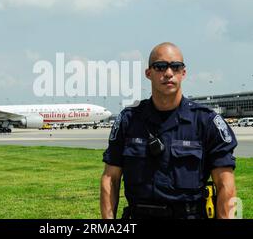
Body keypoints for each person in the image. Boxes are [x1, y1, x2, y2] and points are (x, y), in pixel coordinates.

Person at [100, 42, 237, 219]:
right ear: (148, 73)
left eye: (176, 66)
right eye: (160, 66)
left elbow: (226, 184)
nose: (168, 73)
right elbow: (111, 178)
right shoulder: (129, 120)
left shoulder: (206, 121)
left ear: (183, 72)